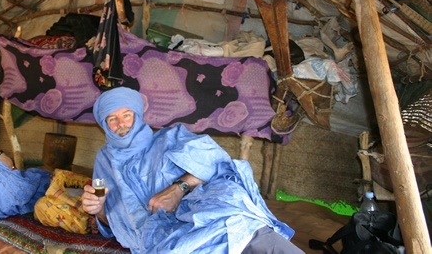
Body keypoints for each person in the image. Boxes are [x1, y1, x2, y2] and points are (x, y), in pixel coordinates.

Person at [81, 87, 304, 253]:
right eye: (112, 119)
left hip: (199, 209)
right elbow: (117, 220)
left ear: (137, 116)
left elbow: (214, 159)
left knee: (239, 219)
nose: (121, 123)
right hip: (159, 233)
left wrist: (178, 189)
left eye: (126, 115)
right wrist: (99, 209)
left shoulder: (169, 137)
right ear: (104, 125)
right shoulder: (105, 161)